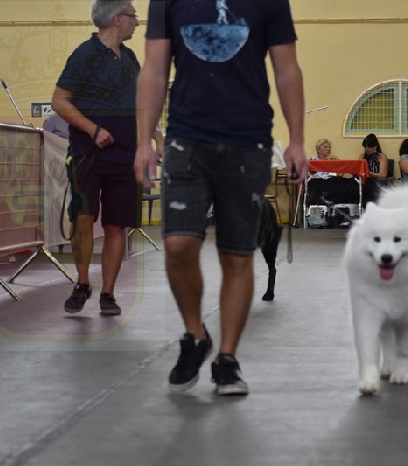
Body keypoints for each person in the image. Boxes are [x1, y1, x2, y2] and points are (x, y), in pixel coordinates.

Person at [135, 0, 307, 396]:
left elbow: (286, 69)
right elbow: (155, 70)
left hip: (248, 141)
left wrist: (297, 140)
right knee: (178, 245)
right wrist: (144, 140)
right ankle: (195, 334)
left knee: (236, 254)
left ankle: (226, 359)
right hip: (186, 138)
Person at [51, 0, 141, 316]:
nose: (136, 22)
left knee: (117, 226)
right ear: (117, 19)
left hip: (125, 156)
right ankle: (83, 283)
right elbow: (59, 100)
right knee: (83, 219)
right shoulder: (85, 55)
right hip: (88, 154)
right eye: (133, 17)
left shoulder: (130, 59)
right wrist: (93, 129)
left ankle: (108, 293)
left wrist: (152, 140)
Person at [307, 138, 358, 207]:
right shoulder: (312, 160)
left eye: (329, 147)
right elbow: (306, 175)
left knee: (352, 183)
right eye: (325, 147)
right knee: (314, 183)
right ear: (318, 149)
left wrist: (338, 161)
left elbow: (340, 174)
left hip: (332, 181)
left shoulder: (333, 159)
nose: (328, 149)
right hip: (319, 181)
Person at [358, 133, 389, 206]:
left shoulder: (381, 156)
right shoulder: (362, 156)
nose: (366, 149)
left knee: (369, 185)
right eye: (365, 147)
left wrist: (369, 173)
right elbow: (359, 170)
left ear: (375, 146)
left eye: (369, 147)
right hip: (364, 181)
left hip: (376, 182)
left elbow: (383, 175)